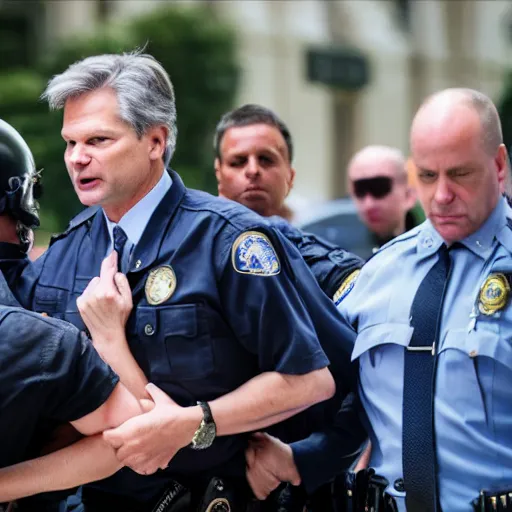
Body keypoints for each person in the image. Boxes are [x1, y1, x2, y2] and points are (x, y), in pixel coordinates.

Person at [0, 52, 348, 511]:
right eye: (70, 143)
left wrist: (199, 421)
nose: (77, 159)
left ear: (155, 141)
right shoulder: (64, 255)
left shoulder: (228, 241)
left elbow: (312, 380)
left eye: (99, 140)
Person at [245, 87, 512, 512]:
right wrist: (300, 459)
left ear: (498, 166)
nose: (441, 195)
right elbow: (348, 398)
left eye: (460, 174)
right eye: (427, 175)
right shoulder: (378, 274)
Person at [214, 104, 364, 301]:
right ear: (219, 173)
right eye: (238, 161)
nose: (252, 170)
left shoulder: (327, 266)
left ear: (290, 177)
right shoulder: (185, 246)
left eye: (266, 159)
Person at [347, 145, 418, 252]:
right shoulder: (342, 252)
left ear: (408, 195)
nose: (369, 204)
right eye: (360, 190)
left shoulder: (434, 247)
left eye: (379, 188)